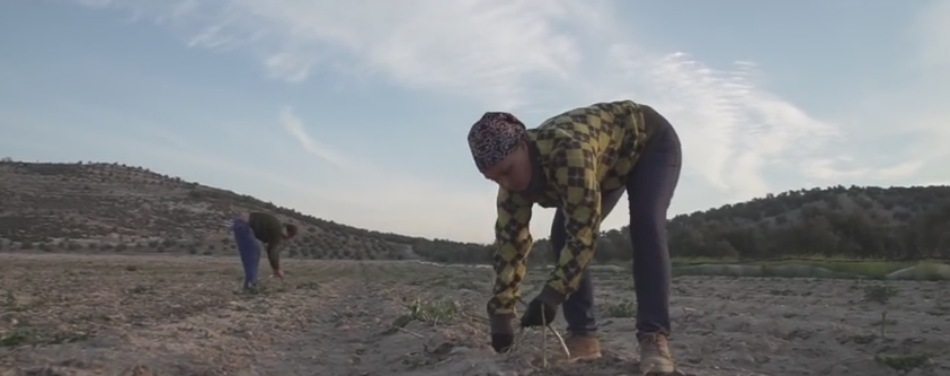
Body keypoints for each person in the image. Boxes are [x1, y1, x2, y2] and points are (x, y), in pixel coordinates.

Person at [467, 100, 681, 375]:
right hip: (606, 163)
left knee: (646, 224)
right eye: (495, 179)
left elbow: (583, 234)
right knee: (560, 233)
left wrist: (552, 296)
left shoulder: (568, 152)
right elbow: (510, 249)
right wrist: (501, 318)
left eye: (508, 171)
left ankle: (654, 337)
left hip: (648, 142)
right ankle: (583, 336)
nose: (506, 184)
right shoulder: (510, 187)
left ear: (524, 146)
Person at [231, 211, 298, 291]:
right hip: (244, 225)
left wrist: (275, 268)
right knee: (253, 254)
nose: (286, 239)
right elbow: (273, 252)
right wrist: (277, 269)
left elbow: (270, 250)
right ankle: (251, 285)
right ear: (289, 233)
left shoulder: (276, 227)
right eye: (289, 237)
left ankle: (251, 283)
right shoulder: (277, 231)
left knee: (255, 252)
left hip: (242, 223)